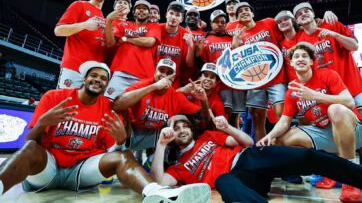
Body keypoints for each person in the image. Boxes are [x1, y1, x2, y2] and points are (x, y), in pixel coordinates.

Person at [0, 61, 211, 203]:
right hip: (48, 168)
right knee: (29, 148)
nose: (98, 80)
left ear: (106, 84)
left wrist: (120, 140)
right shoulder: (55, 97)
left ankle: (158, 194)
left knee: (124, 155)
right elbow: (29, 141)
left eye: (103, 78)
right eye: (93, 76)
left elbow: (111, 150)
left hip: (81, 172)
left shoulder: (107, 107)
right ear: (84, 78)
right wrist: (43, 123)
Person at [151, 114, 362, 203]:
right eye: (176, 128)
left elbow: (248, 142)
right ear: (172, 136)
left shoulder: (207, 137)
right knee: (226, 184)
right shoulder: (178, 168)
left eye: (184, 125)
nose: (181, 130)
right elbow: (160, 180)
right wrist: (161, 144)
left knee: (308, 156)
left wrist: (227, 128)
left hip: (249, 157)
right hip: (240, 180)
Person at [258, 42, 362, 202]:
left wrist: (314, 95)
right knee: (281, 139)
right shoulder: (292, 92)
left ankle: (349, 180)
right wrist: (269, 136)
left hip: (354, 132)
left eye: (305, 56)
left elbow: (349, 101)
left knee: (335, 110)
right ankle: (330, 171)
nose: (300, 59)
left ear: (312, 61)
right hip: (326, 134)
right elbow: (284, 122)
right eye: (296, 56)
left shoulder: (327, 75)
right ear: (291, 63)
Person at [293, 2, 362, 182]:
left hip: (349, 84)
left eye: (306, 10)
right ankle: (340, 171)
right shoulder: (299, 39)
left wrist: (335, 34)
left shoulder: (331, 24)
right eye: (299, 13)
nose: (303, 14)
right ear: (297, 21)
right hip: (324, 90)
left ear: (313, 13)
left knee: (361, 125)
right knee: (329, 129)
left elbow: (354, 46)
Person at [113, 59, 210, 152]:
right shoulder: (142, 85)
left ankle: (164, 158)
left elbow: (203, 117)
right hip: (131, 129)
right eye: (161, 70)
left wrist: (203, 100)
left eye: (169, 73)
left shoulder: (176, 97)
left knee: (179, 124)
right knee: (121, 115)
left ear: (173, 77)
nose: (164, 75)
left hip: (154, 133)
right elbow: (117, 105)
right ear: (155, 72)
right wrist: (154, 87)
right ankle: (119, 149)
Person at [232, 2, 287, 141]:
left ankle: (286, 147)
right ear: (237, 18)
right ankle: (262, 150)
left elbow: (287, 28)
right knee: (257, 118)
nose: (244, 12)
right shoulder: (239, 36)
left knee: (281, 113)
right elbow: (234, 62)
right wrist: (234, 45)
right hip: (255, 82)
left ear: (252, 13)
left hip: (276, 76)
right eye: (240, 12)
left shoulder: (268, 22)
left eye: (246, 9)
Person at [55, 0, 110, 89]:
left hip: (93, 74)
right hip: (73, 68)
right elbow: (58, 31)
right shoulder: (79, 5)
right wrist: (84, 25)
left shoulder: (105, 20)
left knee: (82, 107)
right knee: (64, 104)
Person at [104, 0, 161, 100]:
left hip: (143, 77)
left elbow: (149, 42)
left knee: (133, 111)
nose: (141, 10)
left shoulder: (154, 26)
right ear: (134, 12)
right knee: (108, 103)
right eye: (138, 8)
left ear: (149, 13)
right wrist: (109, 21)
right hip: (120, 74)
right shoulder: (124, 25)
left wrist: (126, 39)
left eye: (145, 9)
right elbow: (110, 43)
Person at [199, 9, 246, 128]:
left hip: (234, 80)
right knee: (224, 113)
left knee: (236, 114)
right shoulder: (206, 40)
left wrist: (236, 46)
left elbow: (240, 59)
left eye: (222, 22)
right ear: (211, 23)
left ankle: (236, 138)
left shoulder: (233, 38)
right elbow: (202, 63)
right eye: (216, 22)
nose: (220, 24)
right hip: (218, 83)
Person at [156, 1, 195, 88]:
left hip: (173, 80)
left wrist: (190, 46)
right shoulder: (156, 29)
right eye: (171, 13)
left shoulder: (186, 35)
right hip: (154, 76)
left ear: (181, 19)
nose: (173, 17)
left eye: (177, 15)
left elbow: (189, 64)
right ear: (166, 15)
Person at [177, 62, 227, 130]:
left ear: (215, 83)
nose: (208, 79)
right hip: (185, 129)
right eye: (206, 75)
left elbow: (222, 128)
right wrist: (182, 90)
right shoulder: (189, 89)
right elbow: (168, 99)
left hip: (204, 132)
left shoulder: (217, 102)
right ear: (200, 77)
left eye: (212, 77)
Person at [103, 0, 132, 66]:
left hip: (120, 65)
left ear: (129, 10)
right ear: (114, 7)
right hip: (100, 59)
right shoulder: (103, 21)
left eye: (125, 3)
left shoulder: (132, 26)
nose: (122, 4)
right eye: (119, 2)